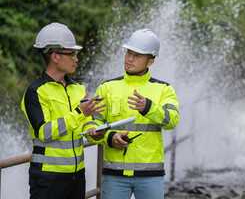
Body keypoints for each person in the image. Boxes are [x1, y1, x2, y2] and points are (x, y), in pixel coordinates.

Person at [86, 29, 179, 199]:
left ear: (150, 61)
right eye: (129, 52)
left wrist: (148, 108)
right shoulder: (106, 88)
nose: (129, 58)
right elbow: (91, 126)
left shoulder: (164, 89)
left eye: (137, 55)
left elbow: (172, 121)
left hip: (150, 175)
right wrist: (110, 138)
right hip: (114, 175)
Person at [21, 22, 107, 199]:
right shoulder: (35, 92)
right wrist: (79, 113)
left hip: (77, 176)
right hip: (47, 178)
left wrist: (95, 132)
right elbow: (44, 132)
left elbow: (86, 122)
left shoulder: (78, 89)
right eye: (72, 54)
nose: (76, 59)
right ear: (55, 56)